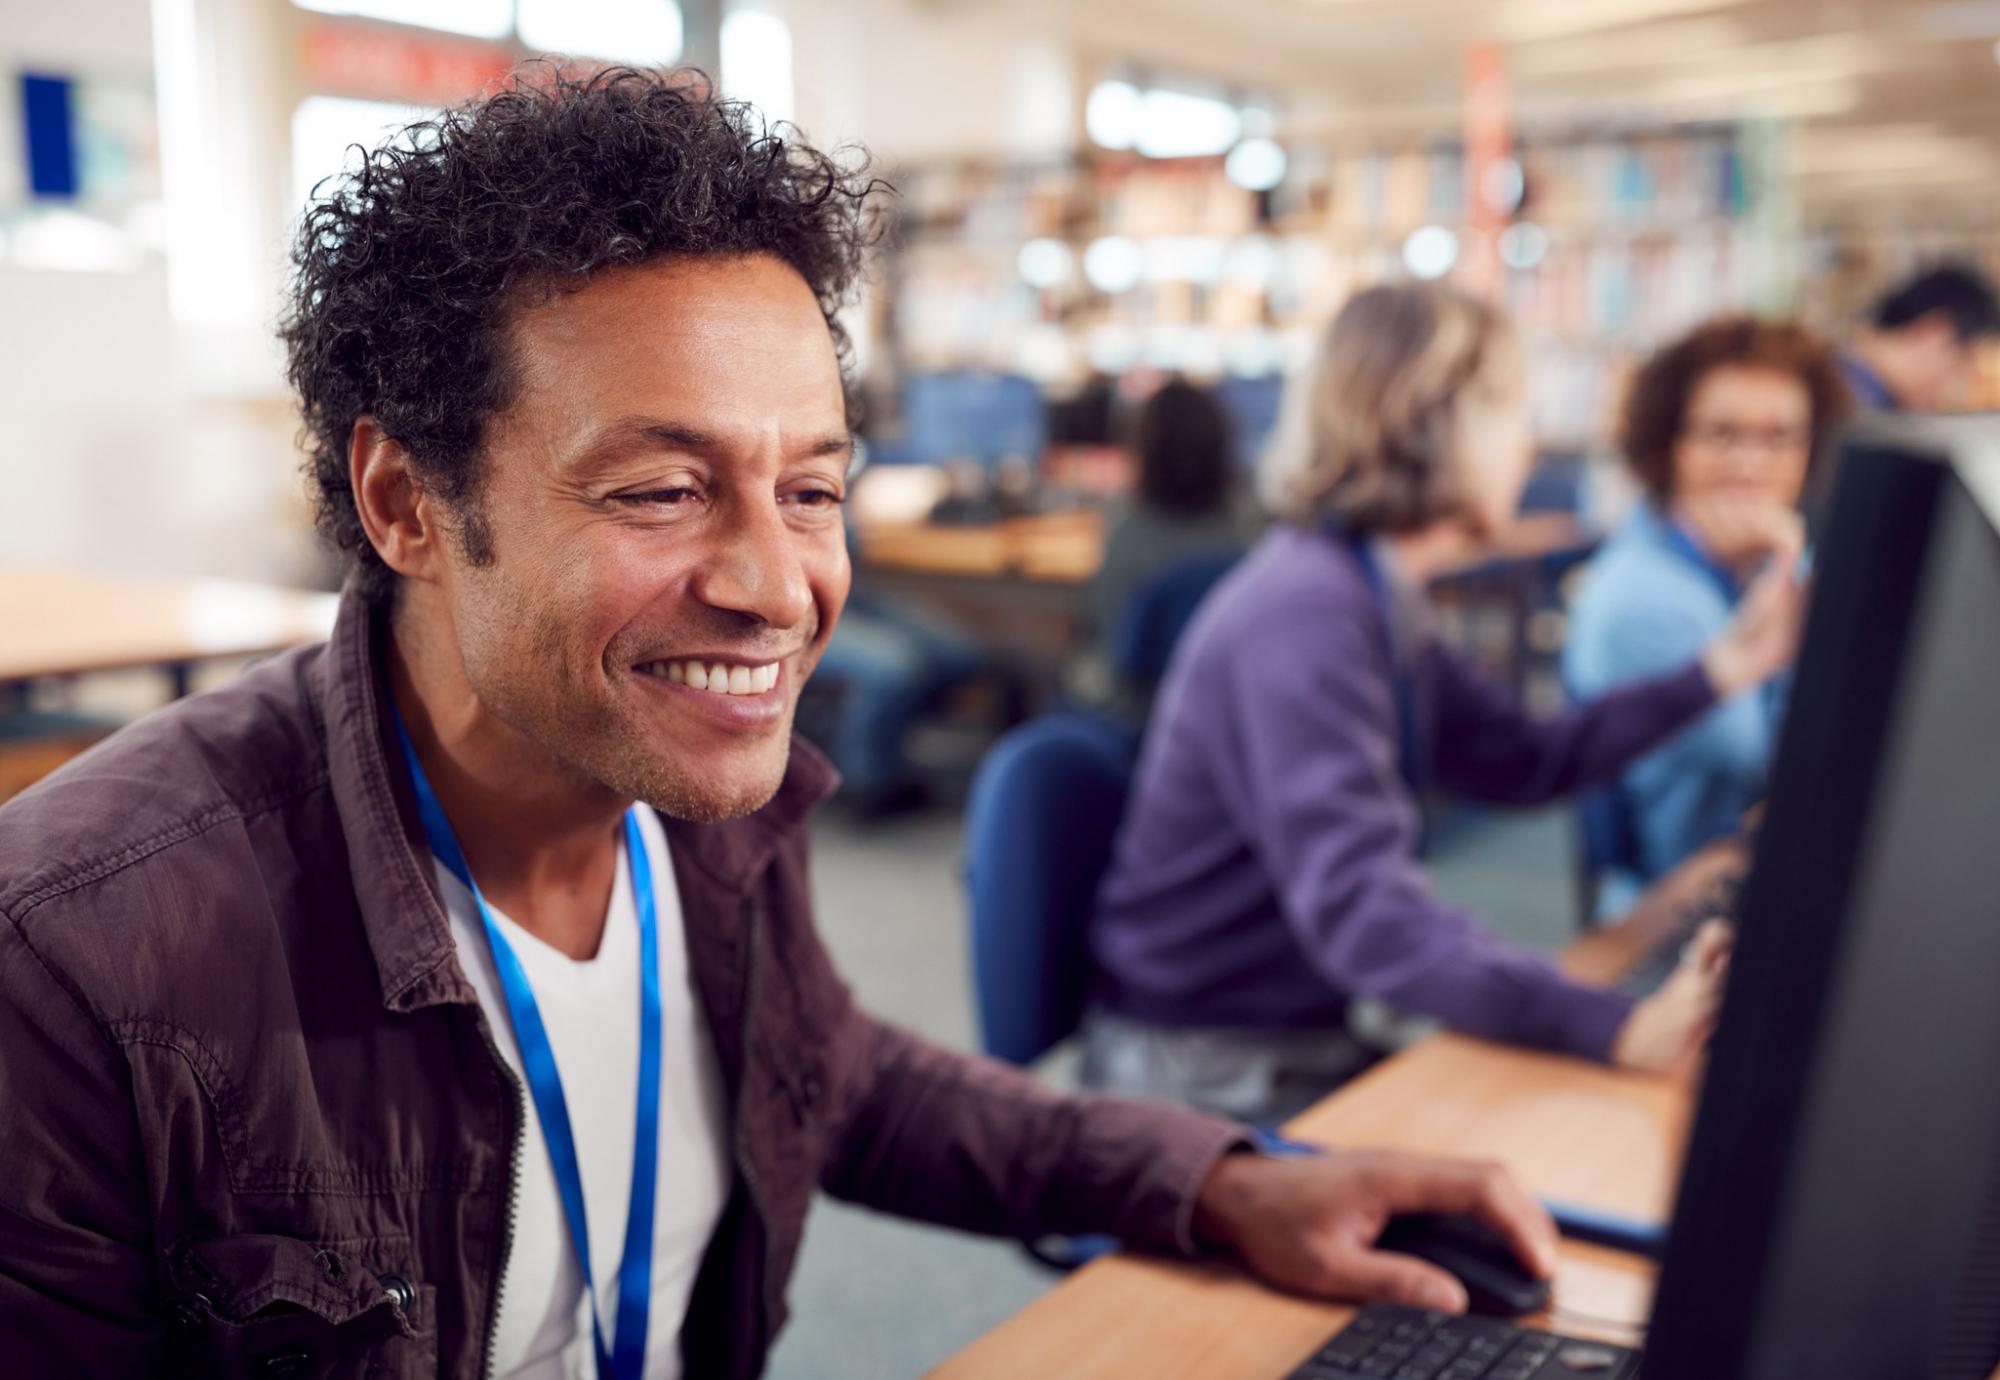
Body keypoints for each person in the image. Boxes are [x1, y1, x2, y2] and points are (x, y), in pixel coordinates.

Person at [0, 70, 1565, 1377]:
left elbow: (835, 1073)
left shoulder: (707, 811)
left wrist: (1221, 1183)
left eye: (812, 488)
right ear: (408, 501)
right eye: (664, 490)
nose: (778, 587)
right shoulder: (79, 968)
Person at [1085, 282, 1783, 1126]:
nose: (1527, 445)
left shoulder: (1370, 588)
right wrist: (1620, 1023)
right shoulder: (1307, 612)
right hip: (1200, 1071)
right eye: (1514, 413)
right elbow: (1369, 920)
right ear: (1440, 424)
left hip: (1289, 1035)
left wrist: (1720, 668)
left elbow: (1526, 760)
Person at [1565, 318, 1850, 889]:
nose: (1751, 463)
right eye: (1722, 434)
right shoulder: (1642, 595)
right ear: (1669, 443)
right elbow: (1782, 766)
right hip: (1669, 915)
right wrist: (1788, 558)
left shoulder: (1749, 564)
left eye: (1779, 437)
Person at [1086, 379, 1258, 682]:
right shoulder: (1250, 535)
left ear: (1144, 449)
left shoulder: (1129, 538)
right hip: (1223, 706)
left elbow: (1113, 642)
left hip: (1138, 710)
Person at [1839, 263, 1999, 412]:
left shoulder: (1867, 395)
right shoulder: (1849, 399)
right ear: (1934, 333)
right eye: (1964, 364)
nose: (1962, 385)